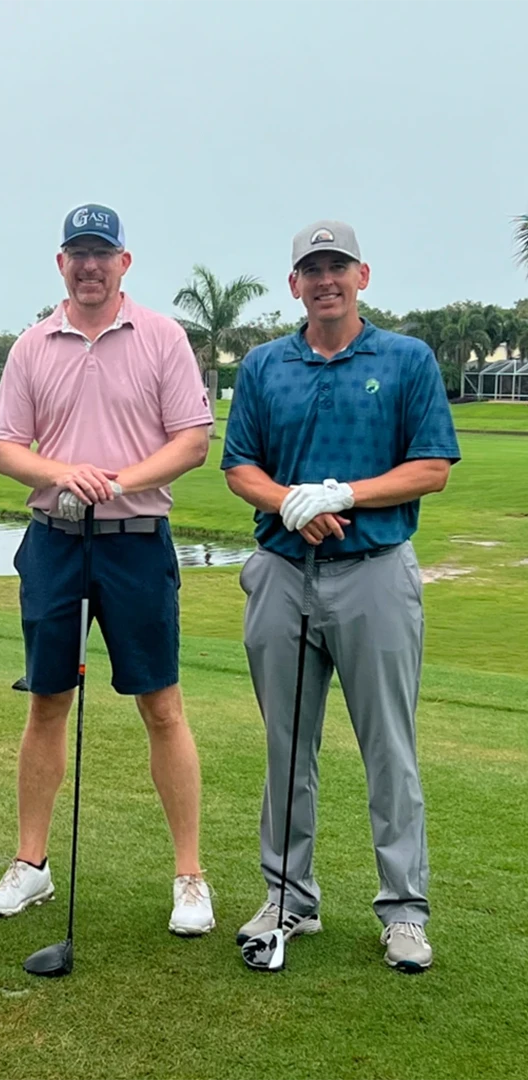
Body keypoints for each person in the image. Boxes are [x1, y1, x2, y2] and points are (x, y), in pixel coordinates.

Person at [222, 220, 460, 972]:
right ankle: (288, 898)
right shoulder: (264, 365)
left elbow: (431, 466)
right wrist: (290, 502)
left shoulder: (406, 359)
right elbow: (240, 467)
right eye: (312, 269)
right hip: (282, 571)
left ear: (363, 275)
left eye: (338, 267)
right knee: (287, 746)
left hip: (375, 572)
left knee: (388, 746)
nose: (326, 280)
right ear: (294, 283)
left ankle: (404, 911)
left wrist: (343, 493)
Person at [0, 204, 217, 936]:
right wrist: (64, 474)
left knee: (162, 705)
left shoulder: (162, 337)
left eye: (101, 254)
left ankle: (190, 877)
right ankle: (31, 865)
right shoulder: (32, 345)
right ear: (62, 264)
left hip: (136, 540)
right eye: (77, 254)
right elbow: (7, 449)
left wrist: (116, 481)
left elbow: (193, 441)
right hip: (54, 540)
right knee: (47, 701)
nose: (89, 266)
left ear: (123, 262)